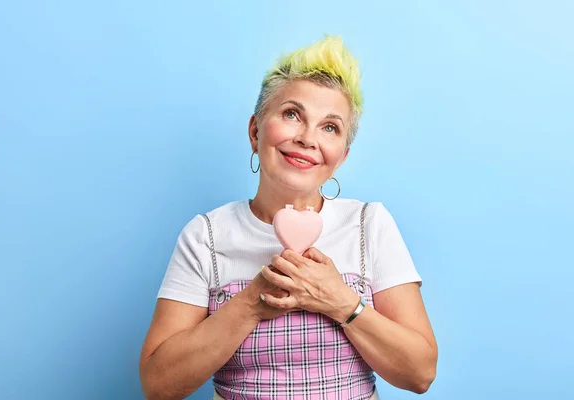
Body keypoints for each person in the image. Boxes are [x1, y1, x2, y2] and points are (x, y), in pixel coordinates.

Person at [139, 35, 438, 400]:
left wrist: (340, 301)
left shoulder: (368, 225)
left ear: (340, 156)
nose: (308, 139)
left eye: (330, 127)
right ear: (255, 131)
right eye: (292, 114)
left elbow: (420, 373)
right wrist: (251, 304)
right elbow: (157, 385)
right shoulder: (206, 235)